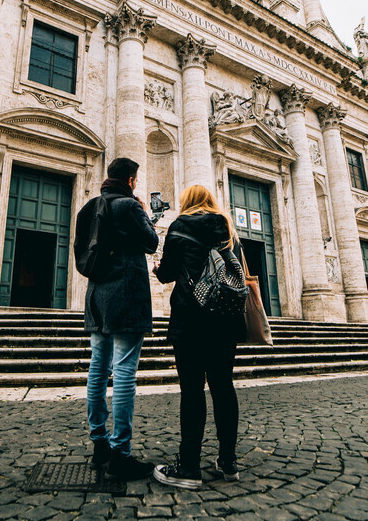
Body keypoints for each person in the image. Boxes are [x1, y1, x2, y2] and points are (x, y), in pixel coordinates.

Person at [152, 184, 245, 489]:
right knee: (223, 386)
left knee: (192, 390)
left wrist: (157, 268)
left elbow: (167, 274)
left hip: (191, 319)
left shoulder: (180, 226)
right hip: (226, 320)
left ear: (186, 202)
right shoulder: (228, 230)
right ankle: (228, 463)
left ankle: (189, 467)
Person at [76, 157, 159, 481]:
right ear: (130, 179)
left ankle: (100, 444)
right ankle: (121, 452)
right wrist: (143, 213)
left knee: (98, 367)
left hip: (97, 294)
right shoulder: (129, 205)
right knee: (124, 369)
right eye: (136, 178)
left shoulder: (90, 206)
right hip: (126, 292)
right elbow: (151, 243)